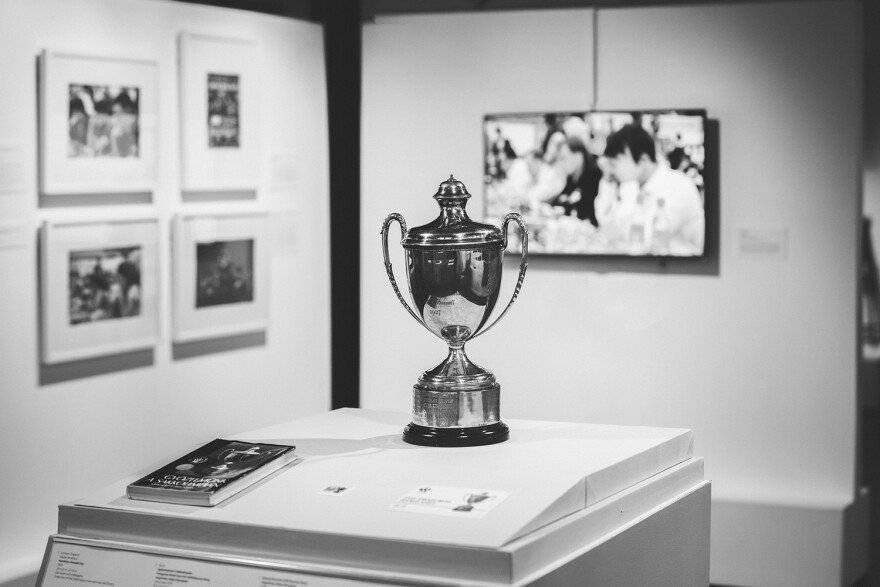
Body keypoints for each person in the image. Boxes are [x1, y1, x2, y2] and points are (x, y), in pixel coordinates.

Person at [597, 123, 705, 255]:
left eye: (616, 161)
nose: (612, 167)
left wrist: (615, 234)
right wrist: (607, 180)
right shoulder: (631, 186)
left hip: (684, 270)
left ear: (643, 160)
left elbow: (645, 243)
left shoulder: (678, 186)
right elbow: (606, 223)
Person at [547, 136, 603, 226]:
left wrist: (565, 206)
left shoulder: (595, 174)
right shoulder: (573, 177)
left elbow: (585, 210)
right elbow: (557, 202)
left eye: (564, 158)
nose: (561, 164)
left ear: (578, 156)